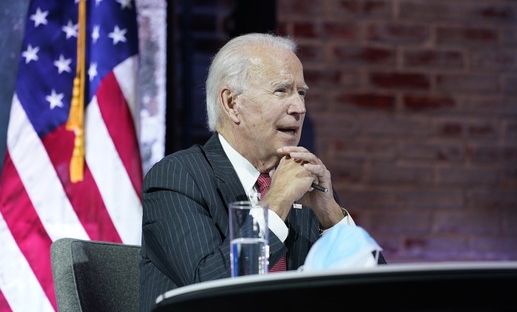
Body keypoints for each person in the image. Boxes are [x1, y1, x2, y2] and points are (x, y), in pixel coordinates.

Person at [138, 33, 385, 311]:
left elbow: (379, 296)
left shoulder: (304, 182)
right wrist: (276, 201)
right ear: (232, 103)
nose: (299, 108)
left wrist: (331, 217)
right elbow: (210, 290)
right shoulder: (177, 178)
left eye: (301, 93)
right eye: (281, 90)